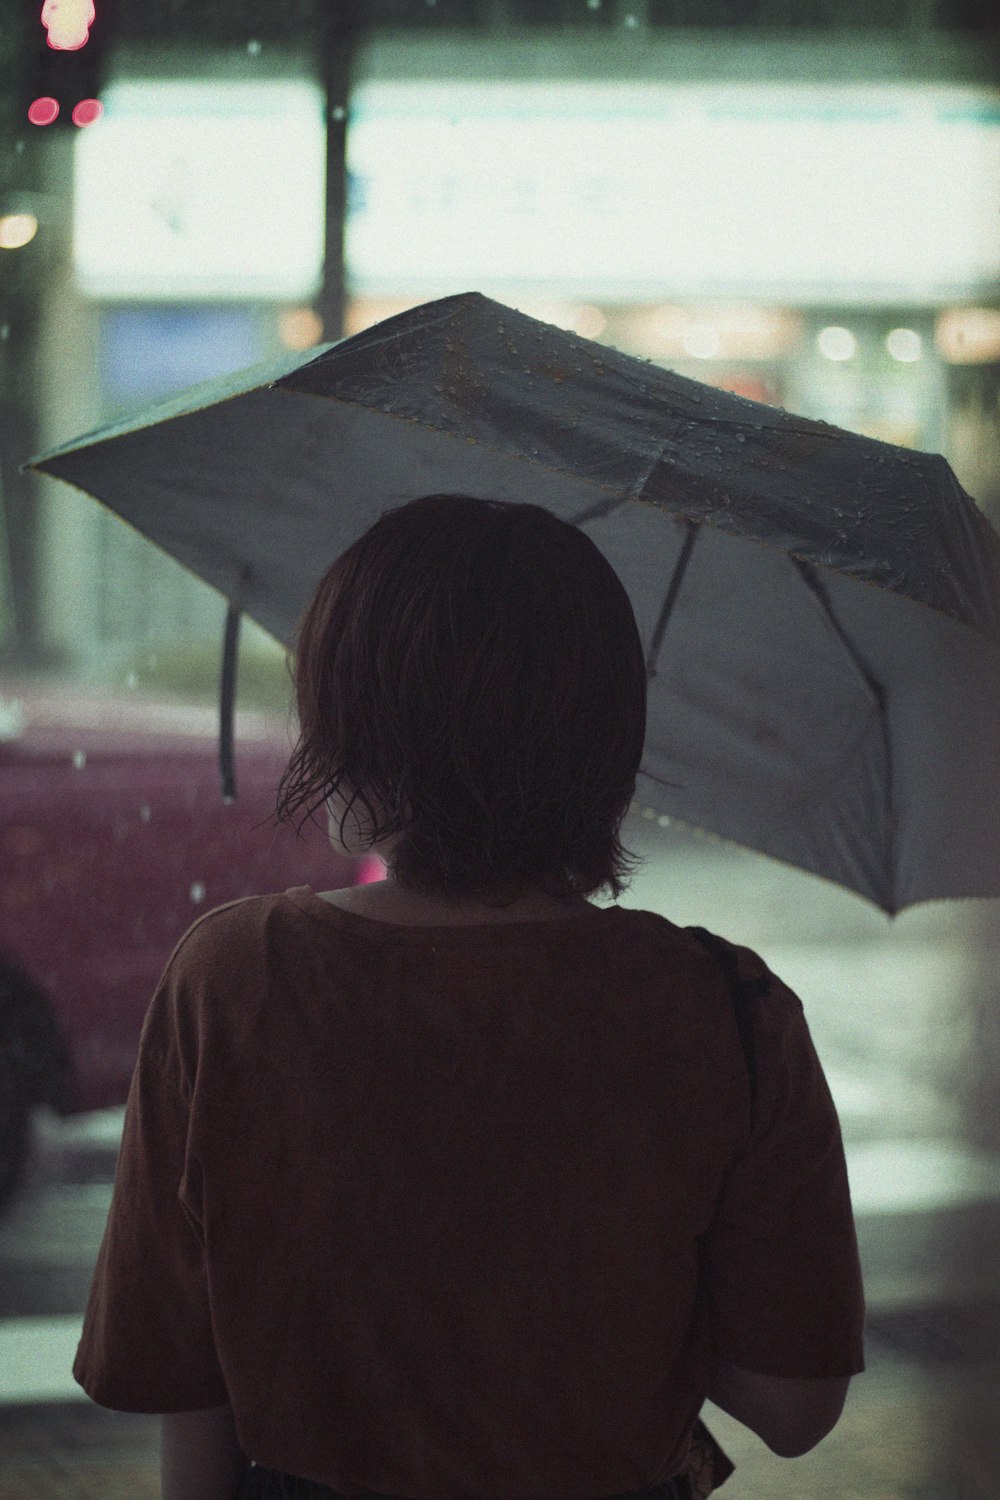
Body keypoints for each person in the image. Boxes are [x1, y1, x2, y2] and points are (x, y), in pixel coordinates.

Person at [72, 494, 865, 1500]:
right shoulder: (726, 1009)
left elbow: (178, 1377)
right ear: (606, 735)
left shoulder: (232, 976)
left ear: (355, 727)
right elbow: (796, 1408)